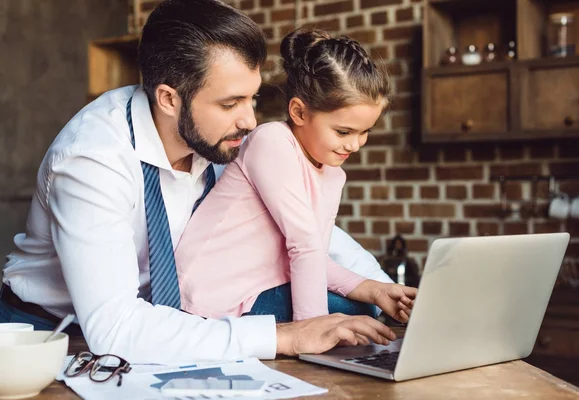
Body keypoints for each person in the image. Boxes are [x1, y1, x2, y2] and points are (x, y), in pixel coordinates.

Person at [0, 0, 406, 364]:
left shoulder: (218, 138)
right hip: (51, 337)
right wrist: (288, 335)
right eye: (230, 104)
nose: (250, 121)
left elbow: (310, 231)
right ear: (169, 99)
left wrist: (387, 292)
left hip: (168, 323)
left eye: (253, 98)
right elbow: (116, 329)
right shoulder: (93, 160)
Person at [175, 29, 416, 323]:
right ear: (299, 112)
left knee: (365, 307)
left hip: (258, 292)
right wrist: (312, 331)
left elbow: (314, 258)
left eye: (365, 132)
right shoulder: (272, 141)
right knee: (353, 314)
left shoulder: (332, 175)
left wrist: (373, 289)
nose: (354, 144)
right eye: (343, 132)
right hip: (208, 299)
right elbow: (305, 247)